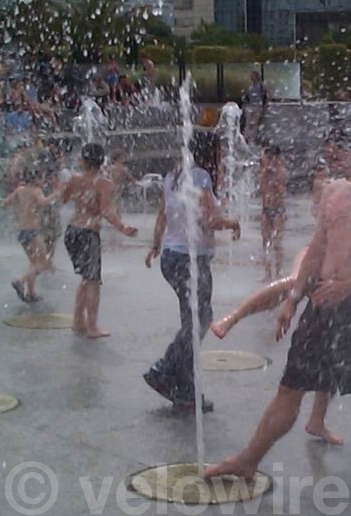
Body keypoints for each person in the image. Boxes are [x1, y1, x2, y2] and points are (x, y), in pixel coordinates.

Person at [206, 129, 351, 483]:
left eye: (338, 158)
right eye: (330, 160)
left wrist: (349, 287)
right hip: (320, 301)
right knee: (290, 387)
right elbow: (318, 248)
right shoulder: (336, 192)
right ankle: (248, 459)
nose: (333, 167)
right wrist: (292, 298)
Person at [143, 133, 241, 413]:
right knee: (200, 320)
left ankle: (185, 390)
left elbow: (163, 214)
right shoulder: (200, 177)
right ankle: (164, 368)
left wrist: (155, 246)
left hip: (172, 257)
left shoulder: (171, 177)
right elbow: (208, 219)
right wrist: (232, 222)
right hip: (190, 260)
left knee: (192, 320)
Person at [211, 248, 343, 445]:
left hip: (345, 267)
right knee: (296, 281)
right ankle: (232, 318)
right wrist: (291, 304)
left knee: (332, 346)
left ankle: (317, 420)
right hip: (325, 248)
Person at [62, 143, 137, 338]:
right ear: (102, 161)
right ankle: (92, 326)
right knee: (93, 281)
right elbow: (105, 210)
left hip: (72, 232)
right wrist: (123, 228)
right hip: (88, 234)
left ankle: (78, 321)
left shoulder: (74, 180)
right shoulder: (105, 184)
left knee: (86, 278)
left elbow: (62, 199)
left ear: (83, 160)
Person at [4, 163, 55, 303]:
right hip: (32, 231)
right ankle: (20, 281)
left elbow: (6, 202)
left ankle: (31, 294)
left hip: (22, 231)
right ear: (36, 179)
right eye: (42, 178)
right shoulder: (36, 190)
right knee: (45, 263)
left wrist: (22, 207)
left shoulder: (20, 189)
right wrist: (55, 194)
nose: (44, 180)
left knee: (33, 263)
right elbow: (43, 202)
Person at [259, 144, 287, 281]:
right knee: (265, 241)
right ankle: (267, 273)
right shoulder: (264, 172)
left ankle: (279, 272)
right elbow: (262, 189)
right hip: (266, 210)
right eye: (266, 158)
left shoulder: (281, 171)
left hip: (278, 211)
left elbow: (281, 190)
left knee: (277, 242)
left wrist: (274, 178)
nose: (268, 161)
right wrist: (265, 173)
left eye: (270, 158)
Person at [242, 70, 267, 145]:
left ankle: (251, 139)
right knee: (248, 123)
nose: (251, 77)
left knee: (254, 123)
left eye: (252, 76)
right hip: (251, 105)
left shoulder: (261, 85)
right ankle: (246, 138)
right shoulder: (251, 86)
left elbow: (265, 95)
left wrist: (264, 104)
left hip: (258, 106)